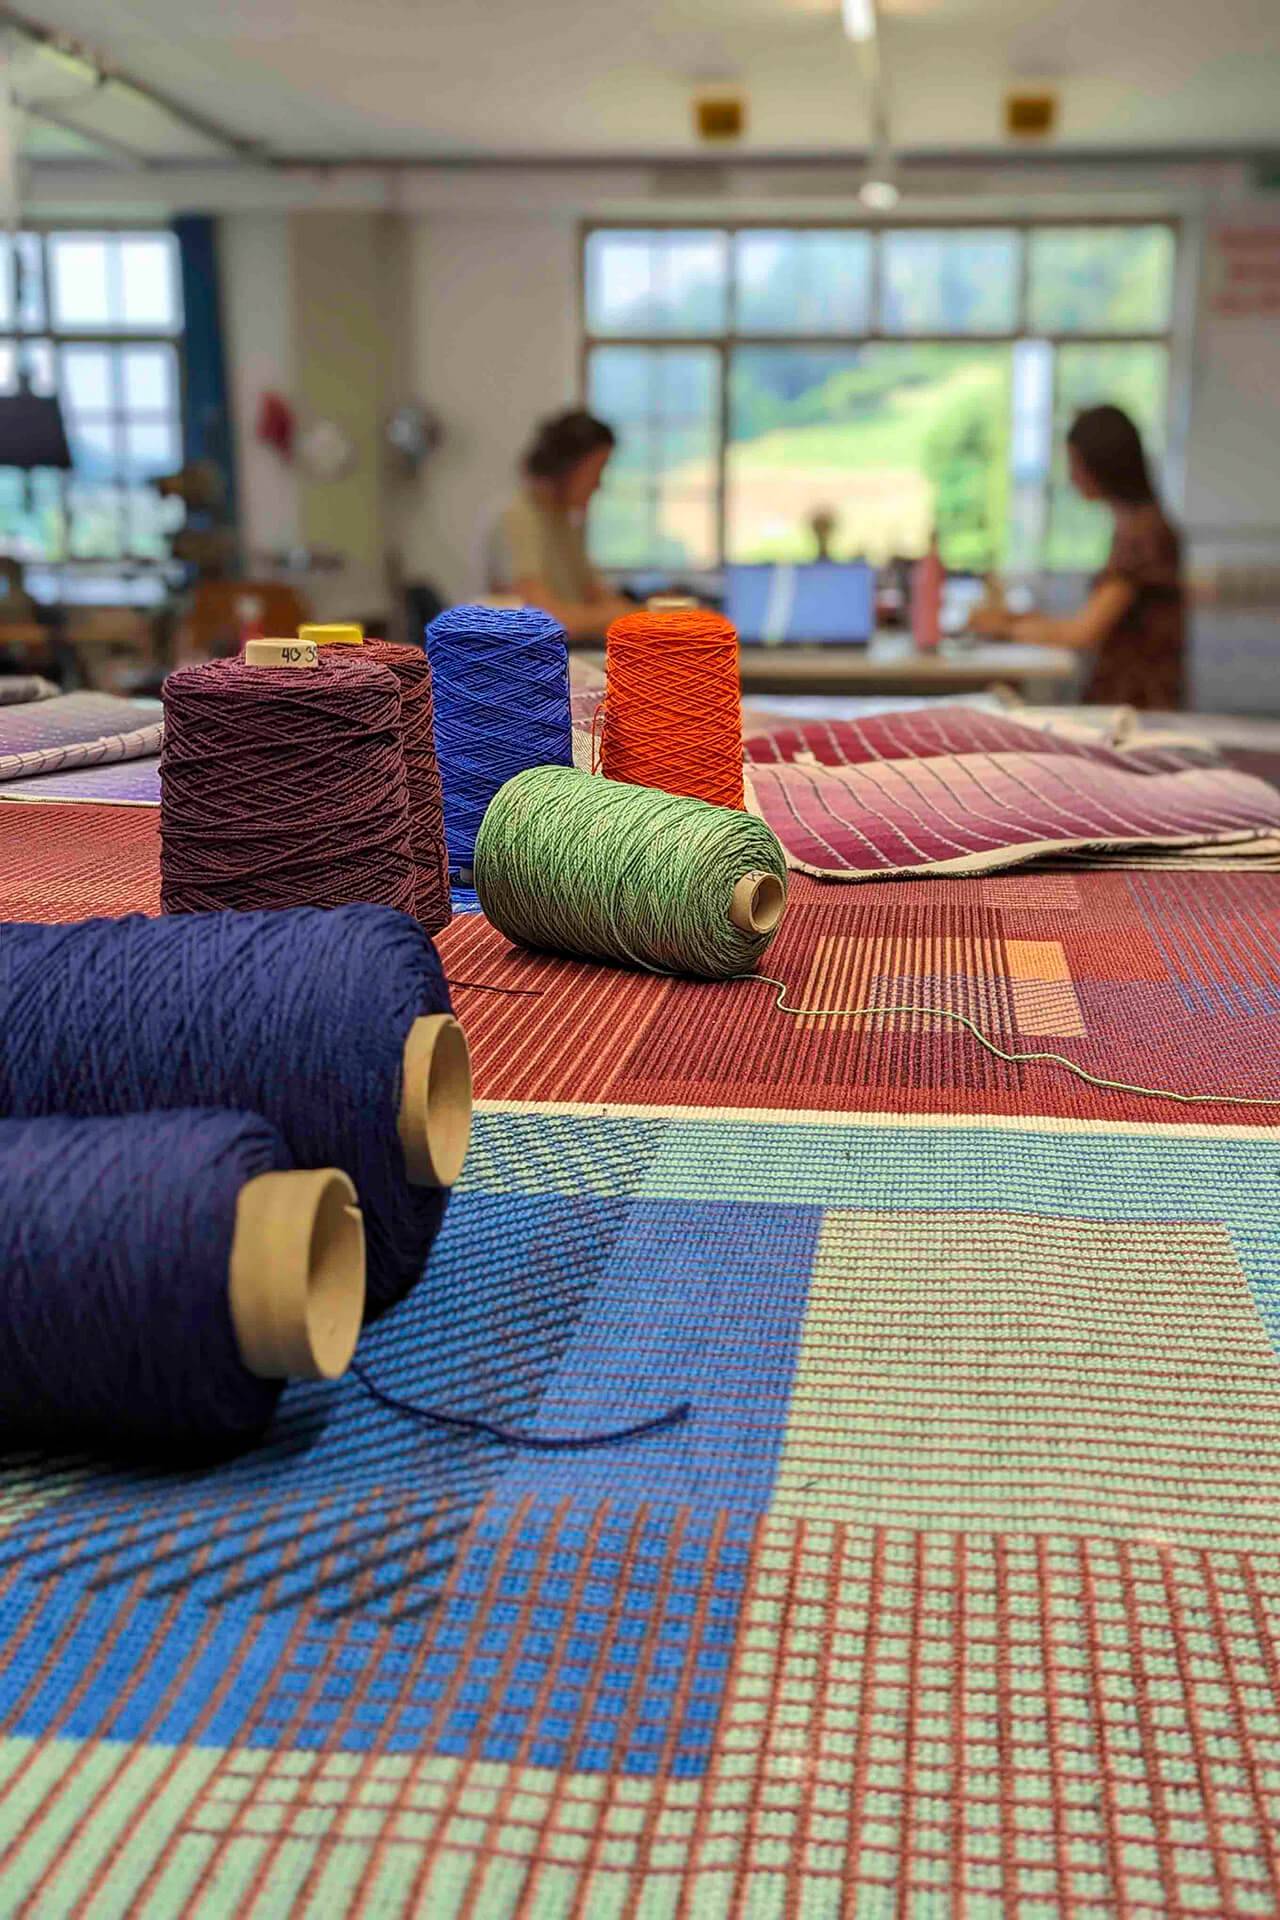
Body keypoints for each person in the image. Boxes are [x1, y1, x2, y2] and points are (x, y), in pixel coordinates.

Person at [972, 404, 1185, 709]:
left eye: (1075, 463)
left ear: (1102, 464)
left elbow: (1083, 632)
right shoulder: (1138, 525)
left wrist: (1003, 628)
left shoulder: (1142, 535)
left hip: (1137, 707)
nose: (1071, 475)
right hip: (1131, 701)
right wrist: (1014, 620)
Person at [488, 409, 636, 641]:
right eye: (596, 471)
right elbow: (546, 619)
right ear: (569, 467)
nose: (598, 484)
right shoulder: (517, 518)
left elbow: (598, 594)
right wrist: (624, 615)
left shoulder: (563, 522)